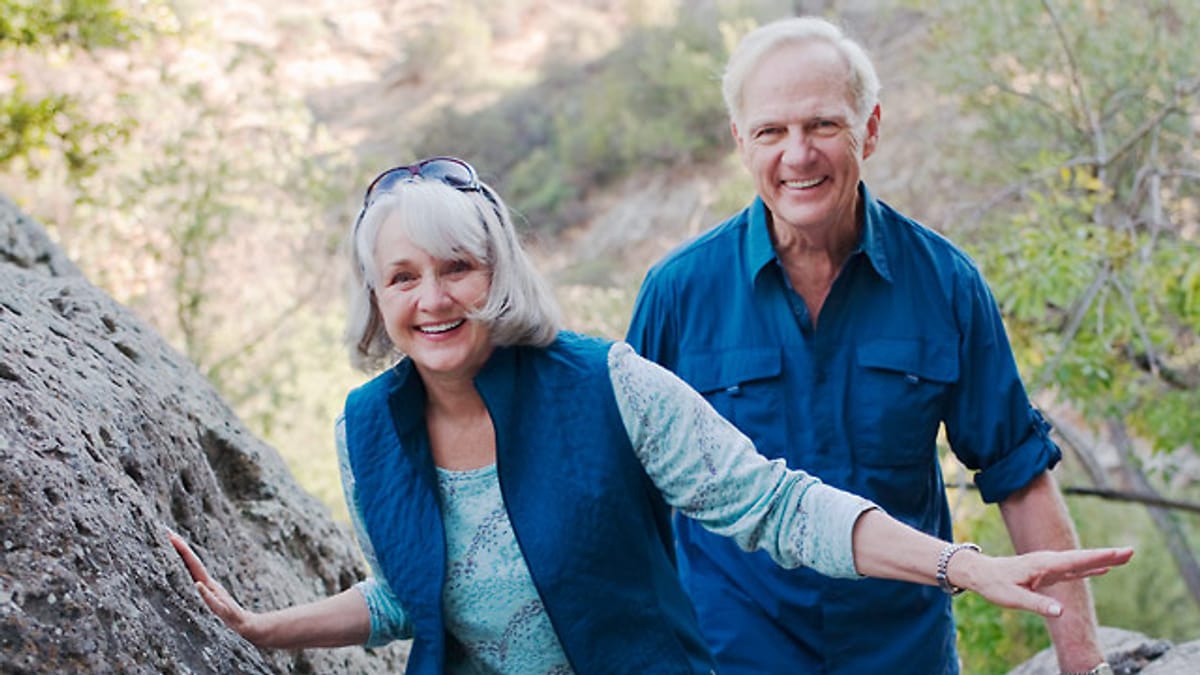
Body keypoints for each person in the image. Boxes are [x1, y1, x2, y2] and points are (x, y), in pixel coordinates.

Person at [170, 156, 1131, 675]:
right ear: (375, 299)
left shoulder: (609, 384)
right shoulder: (366, 428)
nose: (433, 300)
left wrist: (964, 564)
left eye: (457, 266)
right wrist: (260, 629)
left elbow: (780, 506)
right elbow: (411, 597)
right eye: (403, 277)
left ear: (498, 272)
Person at [625, 15, 1116, 675]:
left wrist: (1084, 663)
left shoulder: (945, 283)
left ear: (872, 128)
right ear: (742, 142)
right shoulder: (678, 295)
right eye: (772, 131)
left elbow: (1018, 476)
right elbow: (626, 500)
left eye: (823, 125)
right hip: (729, 658)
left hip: (902, 655)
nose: (797, 155)